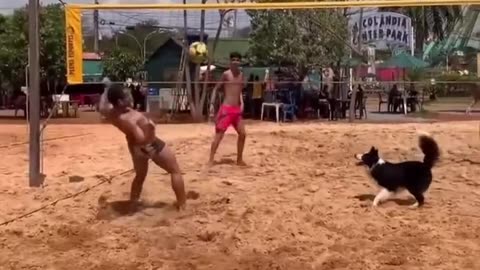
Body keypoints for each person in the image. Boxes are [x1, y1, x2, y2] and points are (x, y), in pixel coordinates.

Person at [99, 82, 186, 210]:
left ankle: (133, 202)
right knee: (174, 171)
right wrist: (151, 130)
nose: (131, 97)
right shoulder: (130, 119)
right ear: (120, 101)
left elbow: (102, 105)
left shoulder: (110, 113)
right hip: (148, 144)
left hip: (134, 148)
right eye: (127, 96)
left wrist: (106, 89)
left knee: (140, 176)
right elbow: (143, 140)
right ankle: (182, 205)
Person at [208, 51, 246, 166]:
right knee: (219, 136)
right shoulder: (226, 74)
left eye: (237, 60)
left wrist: (242, 102)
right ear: (230, 61)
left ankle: (239, 159)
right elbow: (216, 89)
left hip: (236, 110)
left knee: (243, 134)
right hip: (226, 109)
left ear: (240, 62)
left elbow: (239, 90)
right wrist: (211, 105)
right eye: (233, 59)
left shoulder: (242, 75)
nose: (235, 62)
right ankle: (211, 159)